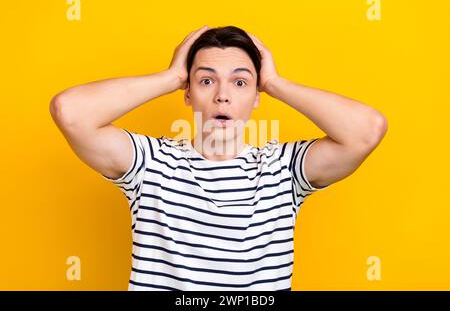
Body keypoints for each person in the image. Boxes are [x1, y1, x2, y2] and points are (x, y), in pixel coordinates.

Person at [49, 25, 388, 291]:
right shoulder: (151, 164)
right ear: (188, 93)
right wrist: (170, 77)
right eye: (206, 80)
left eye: (240, 83)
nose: (223, 96)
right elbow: (70, 112)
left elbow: (367, 130)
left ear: (257, 97)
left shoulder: (282, 170)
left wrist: (274, 81)